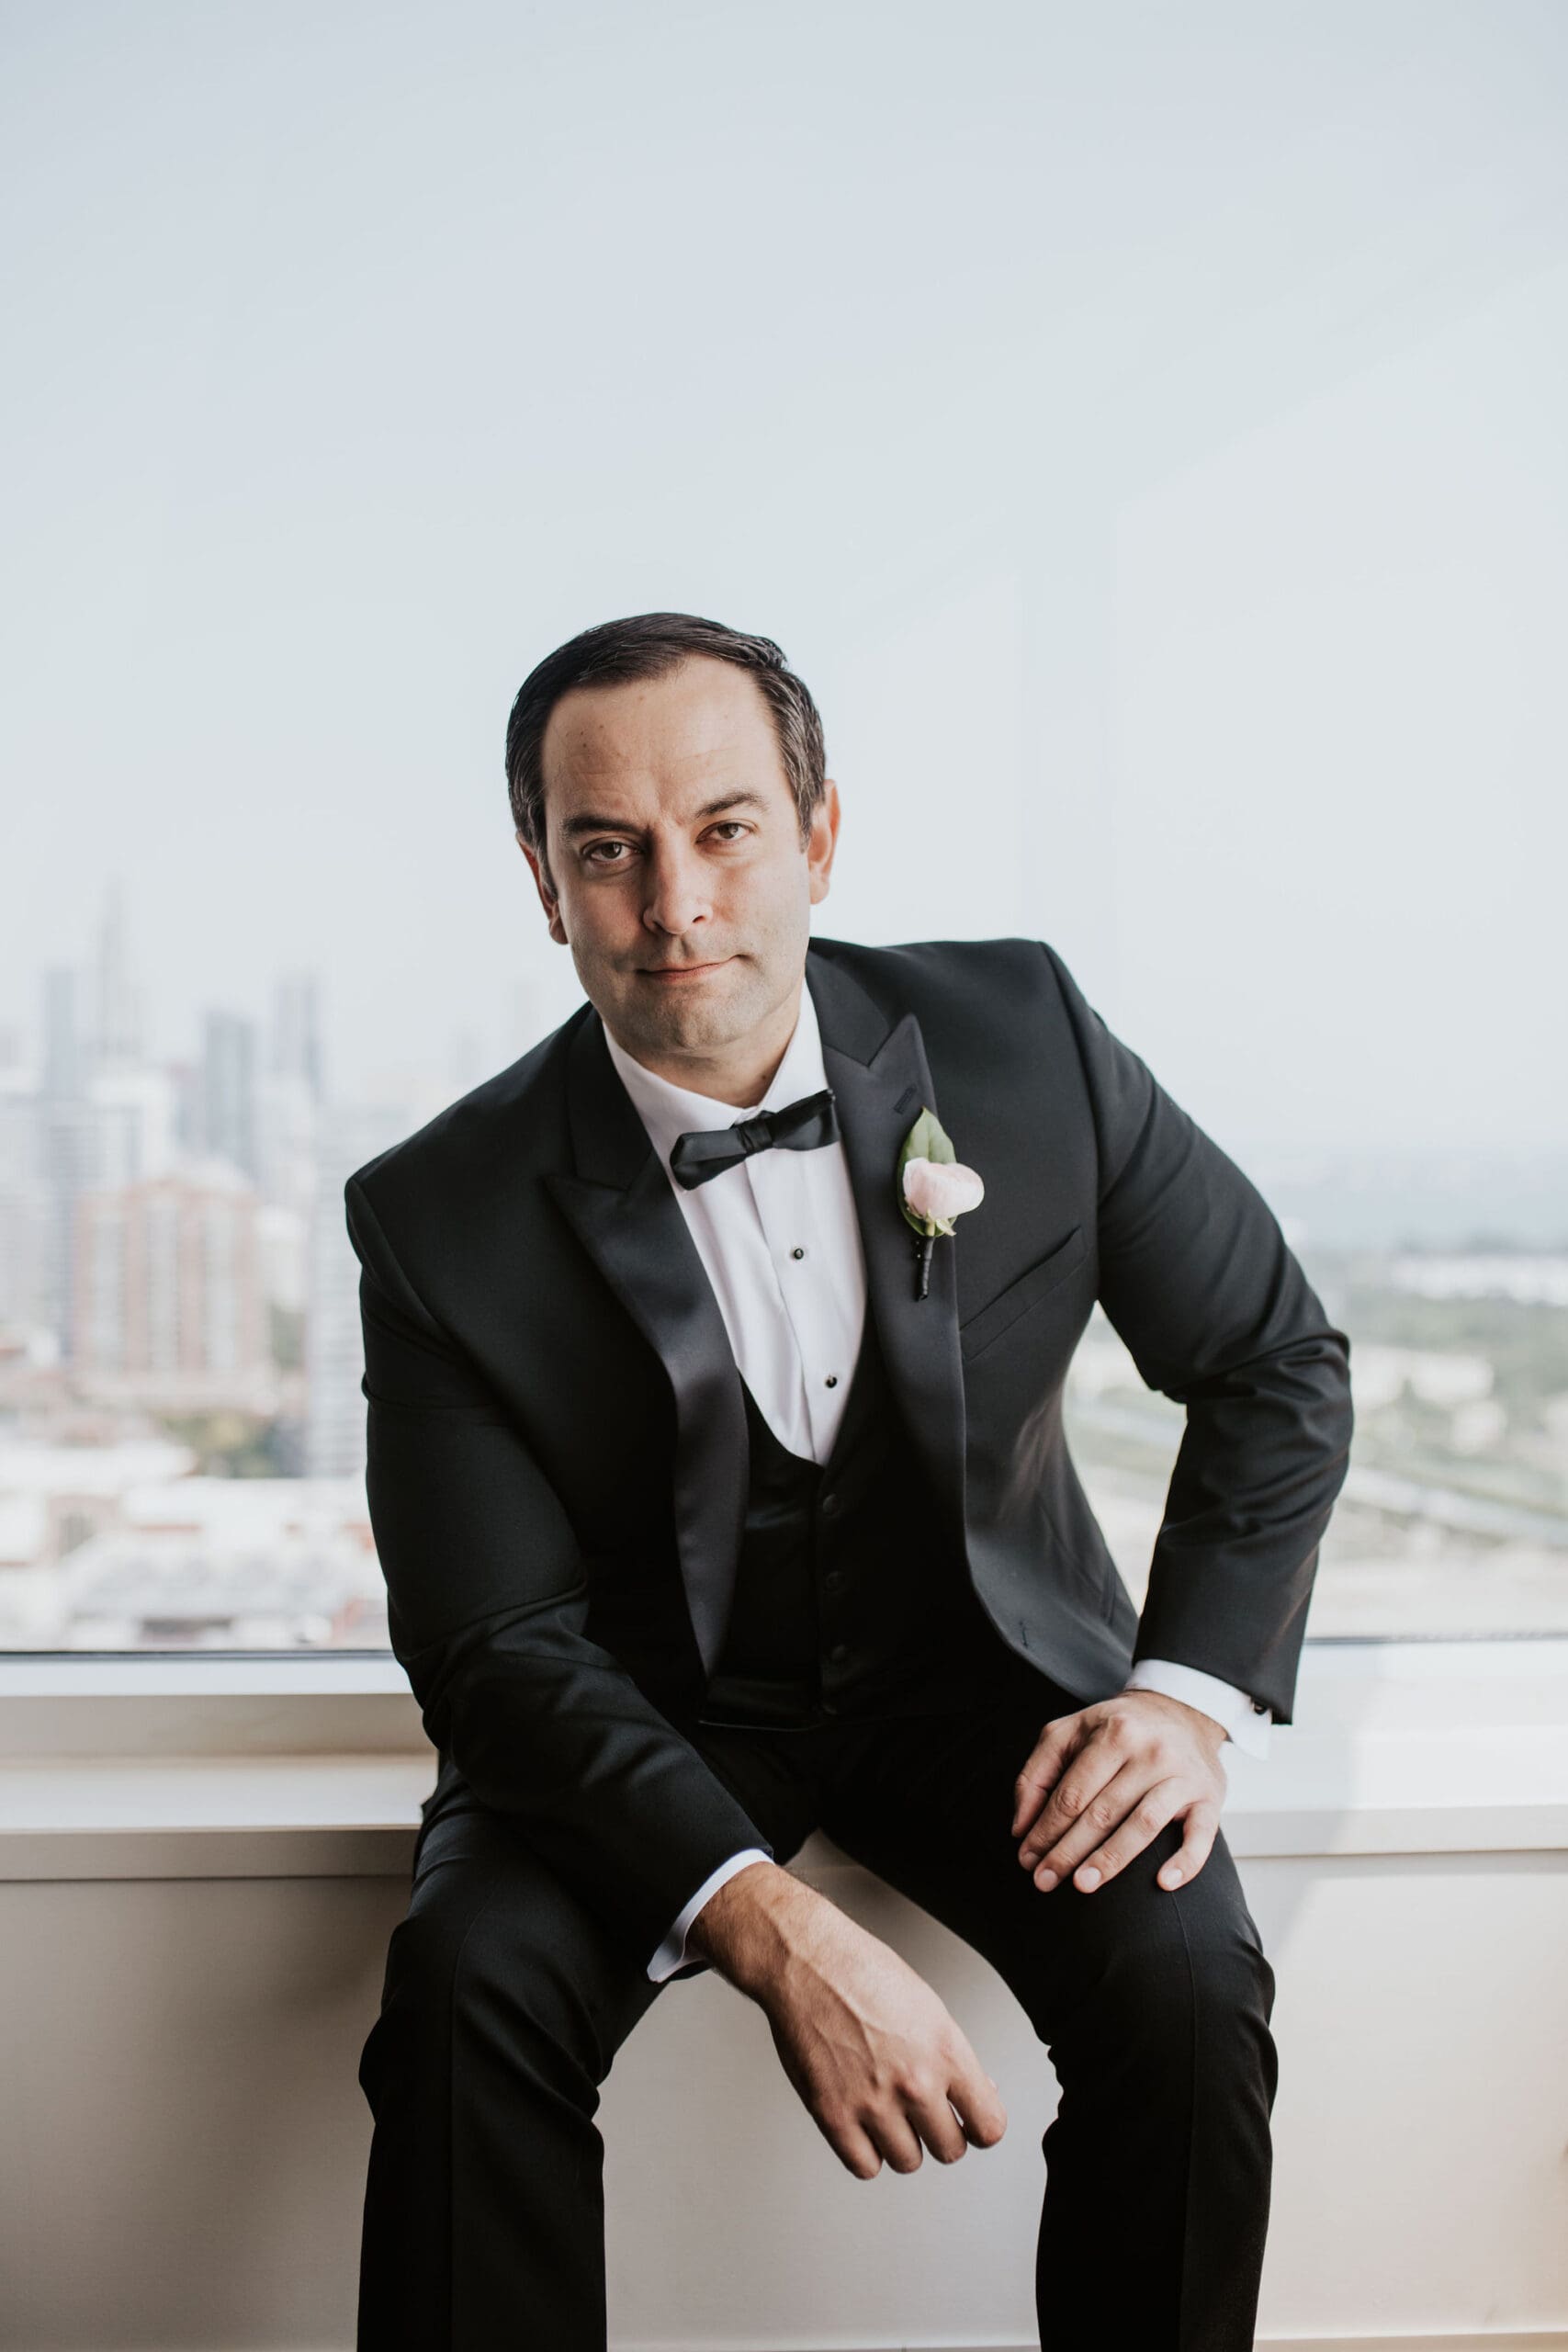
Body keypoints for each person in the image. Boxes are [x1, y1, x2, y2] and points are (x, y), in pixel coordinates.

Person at [347, 610, 1354, 2350]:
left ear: (816, 835)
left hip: (985, 1685)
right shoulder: (436, 1214)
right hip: (650, 1716)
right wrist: (768, 1925)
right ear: (543, 878)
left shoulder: (1026, 1034)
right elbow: (496, 1647)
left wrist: (1185, 1697)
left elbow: (1273, 1366)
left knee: (1188, 1980)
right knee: (464, 1986)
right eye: (609, 851)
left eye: (726, 830)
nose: (676, 907)